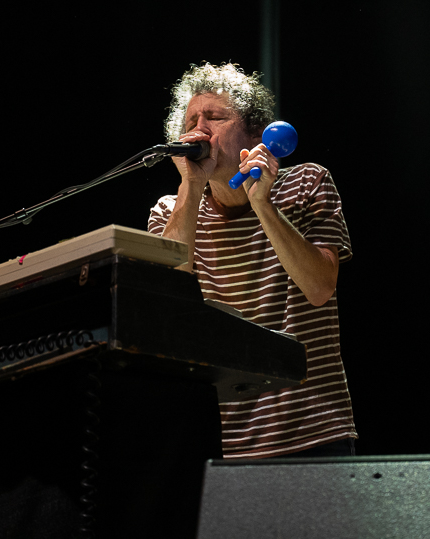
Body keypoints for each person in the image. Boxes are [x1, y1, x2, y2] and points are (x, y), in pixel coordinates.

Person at [147, 63, 357, 459]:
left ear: (256, 133)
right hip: (223, 443)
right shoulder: (170, 211)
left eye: (215, 117)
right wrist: (191, 185)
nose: (199, 129)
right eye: (191, 121)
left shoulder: (307, 183)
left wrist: (262, 203)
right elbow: (165, 301)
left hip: (314, 431)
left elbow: (319, 287)